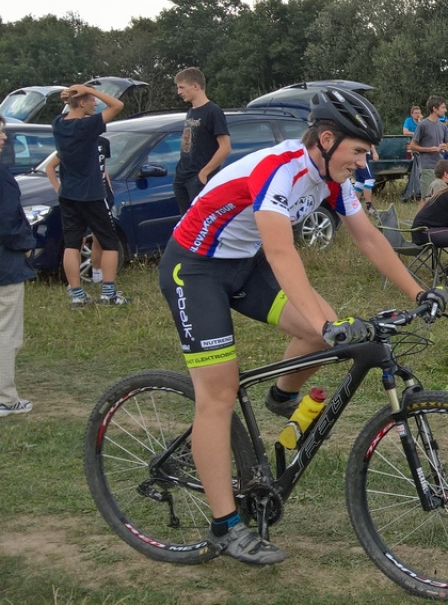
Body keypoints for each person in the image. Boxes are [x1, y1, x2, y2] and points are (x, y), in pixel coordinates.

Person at [157, 87, 430, 565]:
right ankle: (224, 526)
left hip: (242, 264)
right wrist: (329, 324)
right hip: (195, 268)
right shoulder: (280, 169)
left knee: (314, 331)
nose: (363, 164)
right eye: (359, 152)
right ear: (326, 139)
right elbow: (283, 254)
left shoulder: (332, 177)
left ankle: (280, 397)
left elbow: (368, 237)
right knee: (218, 394)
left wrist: (418, 291)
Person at [51, 83, 127, 306]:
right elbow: (118, 105)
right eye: (92, 100)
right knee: (109, 242)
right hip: (93, 193)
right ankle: (108, 293)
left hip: (68, 193)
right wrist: (89, 89)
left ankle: (77, 294)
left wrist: (70, 98)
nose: (96, 103)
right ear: (83, 102)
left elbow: (68, 110)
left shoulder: (58, 124)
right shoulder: (88, 125)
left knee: (72, 244)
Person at [0, 116, 37, 417]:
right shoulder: (1, 175)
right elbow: (7, 219)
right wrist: (25, 242)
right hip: (4, 265)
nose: (3, 138)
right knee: (6, 333)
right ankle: (4, 397)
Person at [46, 135, 113, 282]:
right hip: (79, 197)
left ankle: (97, 274)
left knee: (101, 237)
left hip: (101, 195)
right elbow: (50, 167)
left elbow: (102, 167)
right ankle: (74, 284)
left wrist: (109, 188)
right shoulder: (72, 142)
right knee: (77, 240)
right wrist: (59, 190)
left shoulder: (103, 142)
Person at [173, 68, 231, 215]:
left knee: (201, 221)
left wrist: (204, 173)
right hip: (182, 175)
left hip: (198, 178)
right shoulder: (191, 111)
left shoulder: (213, 111)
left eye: (181, 87)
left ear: (195, 86)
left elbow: (225, 147)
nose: (178, 92)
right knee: (185, 223)